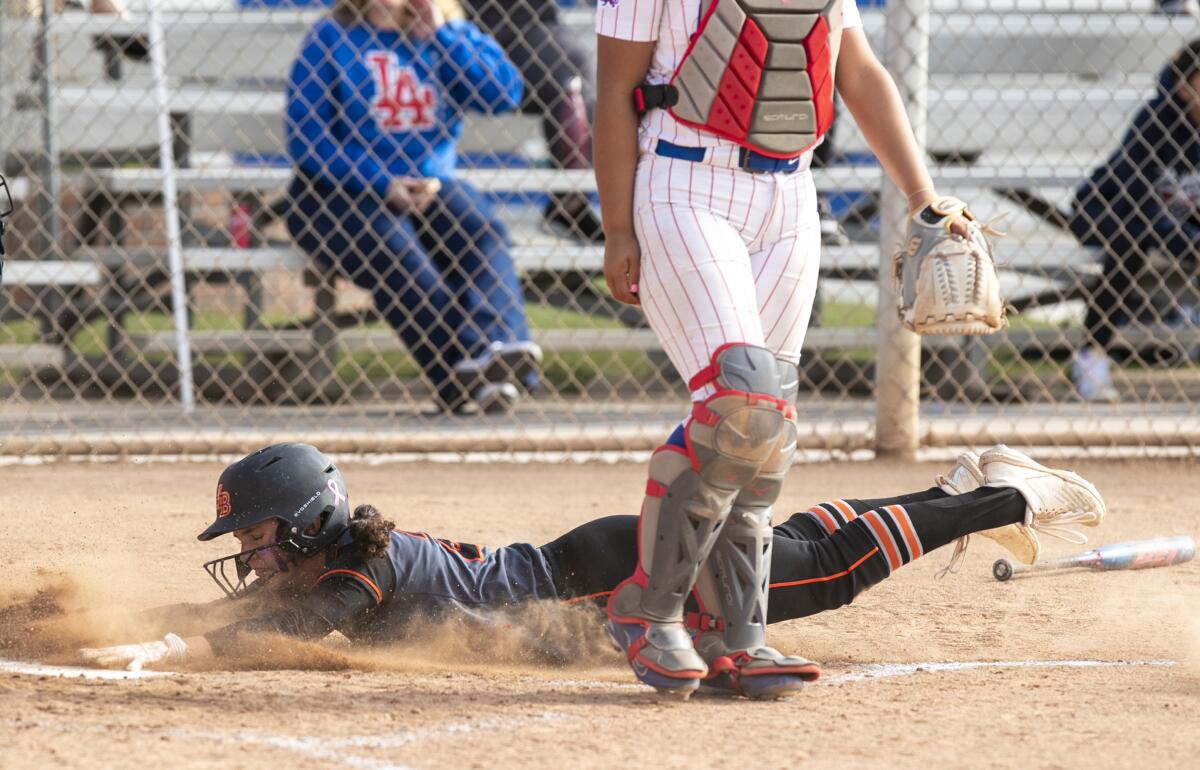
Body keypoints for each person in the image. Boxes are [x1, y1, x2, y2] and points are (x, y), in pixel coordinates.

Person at [591, 0, 982, 697]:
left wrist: (925, 198)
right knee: (740, 399)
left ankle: (735, 636)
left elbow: (857, 72)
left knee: (769, 428)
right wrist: (618, 225)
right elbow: (616, 94)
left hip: (789, 199)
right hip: (686, 185)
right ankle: (648, 609)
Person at [79, 441, 1105, 700]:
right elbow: (268, 604)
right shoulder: (326, 560)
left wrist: (177, 645)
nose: (253, 555)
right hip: (603, 559)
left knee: (818, 573)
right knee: (793, 547)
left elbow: (305, 630)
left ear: (307, 524)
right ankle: (961, 482)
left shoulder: (356, 570)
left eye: (261, 535)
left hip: (630, 572)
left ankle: (1006, 493)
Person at [285, 0, 542, 415]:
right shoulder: (331, 37)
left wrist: (441, 34)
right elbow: (308, 138)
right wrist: (380, 181)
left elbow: (503, 94)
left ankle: (494, 351)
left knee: (482, 231)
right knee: (400, 254)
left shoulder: (445, 33)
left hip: (429, 183)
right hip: (338, 190)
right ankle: (469, 374)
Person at [1069, 39, 1200, 402]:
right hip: (1105, 211)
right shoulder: (1156, 120)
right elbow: (1138, 202)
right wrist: (1192, 247)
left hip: (1169, 222)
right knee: (1132, 242)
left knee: (1145, 236)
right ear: (1182, 85)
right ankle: (1091, 355)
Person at [459, 0, 605, 243]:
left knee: (573, 68)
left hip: (535, 21)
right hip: (469, 27)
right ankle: (569, 207)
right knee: (566, 68)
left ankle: (569, 205)